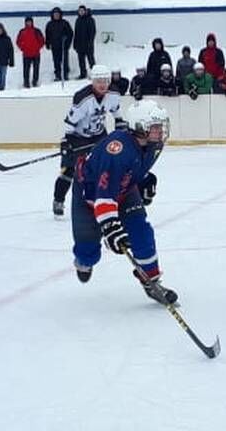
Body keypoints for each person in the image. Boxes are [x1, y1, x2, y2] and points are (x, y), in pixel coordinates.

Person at [69, 99, 177, 306]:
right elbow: (104, 194)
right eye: (156, 127)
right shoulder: (116, 151)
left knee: (142, 232)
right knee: (88, 252)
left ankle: (151, 282)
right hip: (89, 196)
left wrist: (144, 179)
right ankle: (83, 261)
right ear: (140, 126)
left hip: (124, 192)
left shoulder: (153, 145)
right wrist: (111, 227)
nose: (161, 131)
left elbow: (133, 169)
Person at [53, 65, 122, 217]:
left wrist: (120, 128)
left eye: (105, 80)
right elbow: (69, 123)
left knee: (104, 168)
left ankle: (102, 200)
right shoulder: (83, 99)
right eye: (99, 81)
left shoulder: (113, 94)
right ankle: (58, 200)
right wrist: (67, 143)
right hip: (77, 137)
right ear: (92, 82)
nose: (102, 84)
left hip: (99, 135)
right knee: (69, 170)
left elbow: (117, 114)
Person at [45, 6, 74, 82]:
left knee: (64, 61)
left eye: (57, 14)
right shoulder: (49, 24)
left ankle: (65, 74)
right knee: (56, 61)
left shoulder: (65, 23)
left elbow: (70, 33)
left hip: (63, 46)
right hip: (54, 46)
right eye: (55, 14)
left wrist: (67, 43)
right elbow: (47, 35)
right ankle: (58, 75)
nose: (56, 15)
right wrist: (48, 44)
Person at [16, 16, 44, 88]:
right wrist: (23, 48)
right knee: (26, 69)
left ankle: (35, 81)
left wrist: (38, 47)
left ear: (32, 22)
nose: (29, 23)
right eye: (27, 22)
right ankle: (26, 82)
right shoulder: (22, 31)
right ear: (25, 23)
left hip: (36, 53)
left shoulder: (37, 31)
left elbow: (42, 40)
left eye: (30, 21)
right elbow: (18, 41)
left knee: (36, 68)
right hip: (26, 54)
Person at [73, 5, 97, 78]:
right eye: (79, 11)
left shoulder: (90, 19)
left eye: (82, 10)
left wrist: (90, 42)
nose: (81, 12)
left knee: (91, 60)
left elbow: (93, 32)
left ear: (85, 11)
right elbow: (76, 33)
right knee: (81, 61)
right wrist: (75, 43)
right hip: (80, 45)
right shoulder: (78, 20)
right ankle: (83, 74)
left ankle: (94, 74)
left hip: (88, 44)